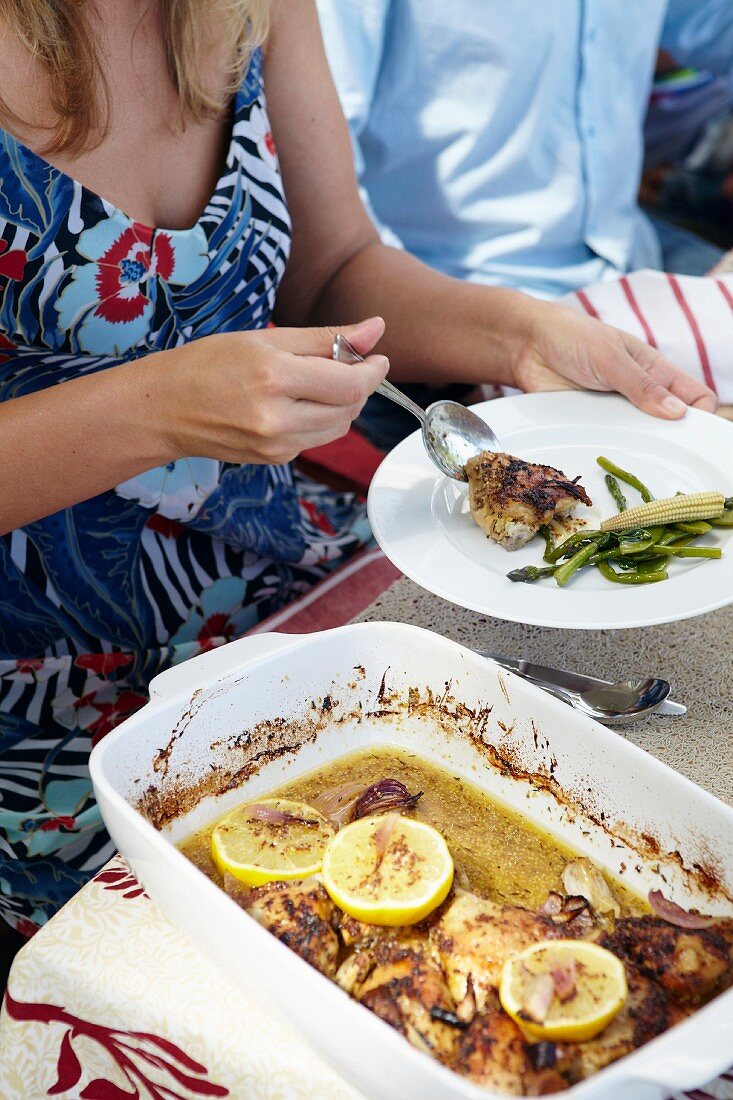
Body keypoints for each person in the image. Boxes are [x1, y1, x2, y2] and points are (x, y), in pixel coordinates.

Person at [0, 0, 715, 935]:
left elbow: (331, 268)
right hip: (42, 699)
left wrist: (522, 335)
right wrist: (156, 408)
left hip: (280, 584)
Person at [317, 0, 732, 446]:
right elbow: (319, 228)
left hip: (629, 250)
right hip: (452, 311)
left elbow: (714, 23)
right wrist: (473, 341)